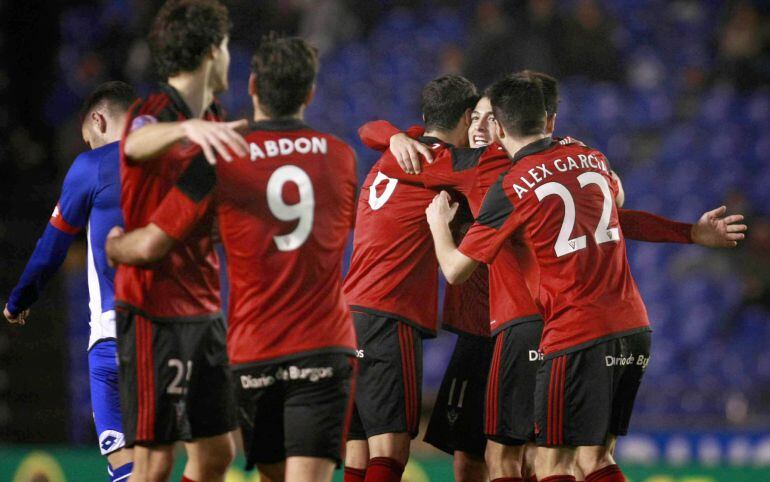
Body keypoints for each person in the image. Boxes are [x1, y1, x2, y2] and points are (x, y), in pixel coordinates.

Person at [362, 70, 747, 482]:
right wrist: (687, 231)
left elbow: (452, 263)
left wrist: (398, 143)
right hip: (516, 326)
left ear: (503, 123)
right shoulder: (581, 154)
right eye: (472, 117)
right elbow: (614, 204)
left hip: (530, 326)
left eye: (487, 117)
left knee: (524, 458)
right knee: (551, 457)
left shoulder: (494, 172)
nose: (478, 125)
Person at [103, 1, 247, 481]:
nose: (230, 56)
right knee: (155, 460)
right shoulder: (155, 112)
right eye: (226, 46)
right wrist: (185, 128)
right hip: (153, 310)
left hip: (203, 310)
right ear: (211, 51)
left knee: (216, 454)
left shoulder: (216, 115)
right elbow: (132, 143)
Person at [341, 75, 479, 482]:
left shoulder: (394, 155)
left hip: (349, 316)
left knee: (359, 448)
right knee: (391, 451)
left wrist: (394, 136)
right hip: (389, 314)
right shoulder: (446, 165)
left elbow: (368, 128)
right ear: (469, 117)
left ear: (423, 118)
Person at [4, 81, 137, 482]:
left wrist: (19, 298)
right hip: (171, 337)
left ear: (98, 120)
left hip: (113, 341)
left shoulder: (91, 167)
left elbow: (52, 245)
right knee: (171, 458)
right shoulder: (172, 161)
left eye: (88, 138)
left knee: (125, 465)